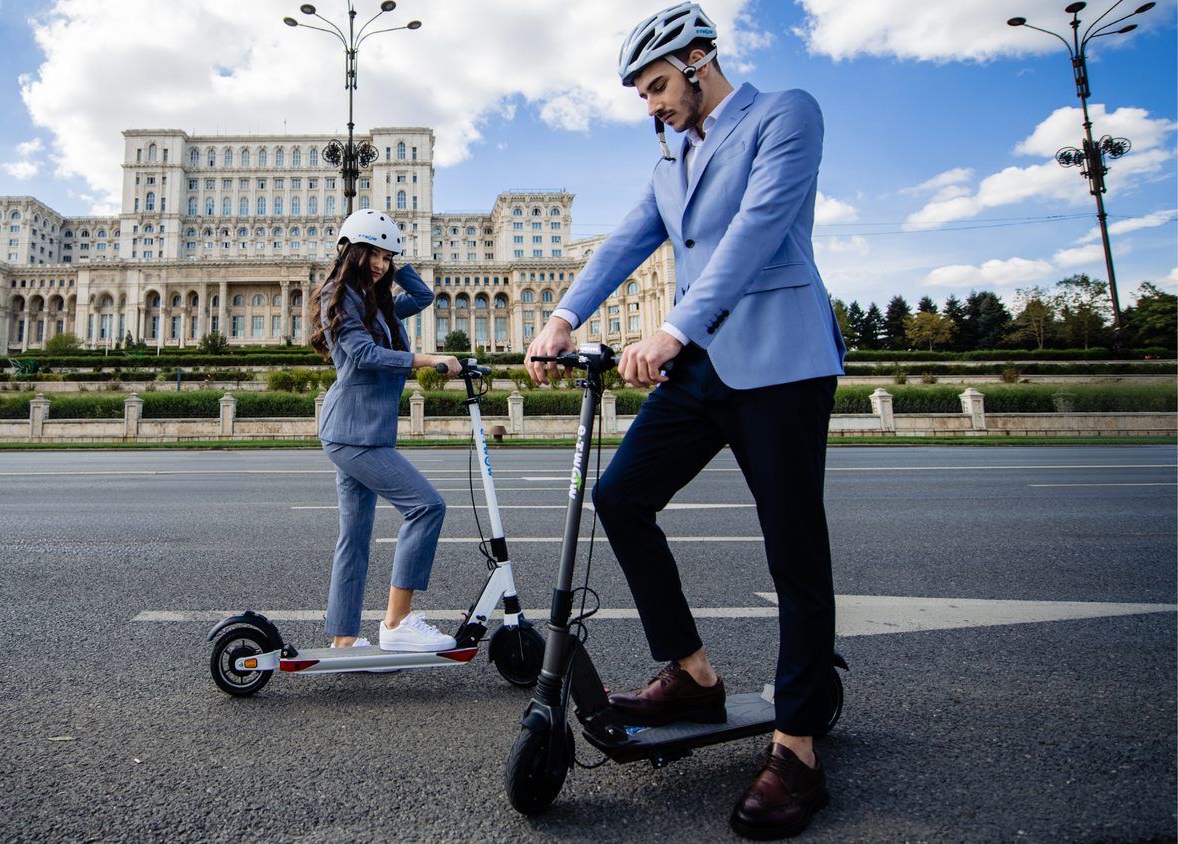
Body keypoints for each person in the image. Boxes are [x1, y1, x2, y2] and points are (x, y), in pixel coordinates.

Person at [523, 4, 846, 839]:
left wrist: (672, 330)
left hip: (777, 359)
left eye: (659, 85)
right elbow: (628, 239)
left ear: (701, 58)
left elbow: (758, 230)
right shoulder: (671, 155)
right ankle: (694, 674)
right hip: (702, 368)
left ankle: (799, 746)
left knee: (793, 549)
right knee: (622, 496)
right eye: (641, 93)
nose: (652, 104)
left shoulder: (786, 114)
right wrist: (563, 316)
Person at [312, 209, 464, 654]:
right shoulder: (338, 300)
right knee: (427, 506)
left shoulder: (378, 304)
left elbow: (424, 294)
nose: (379, 264)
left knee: (355, 538)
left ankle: (344, 639)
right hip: (352, 433)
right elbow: (362, 355)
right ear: (350, 251)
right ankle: (397, 623)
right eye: (371, 253)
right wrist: (427, 359)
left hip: (366, 432)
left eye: (385, 257)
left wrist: (400, 258)